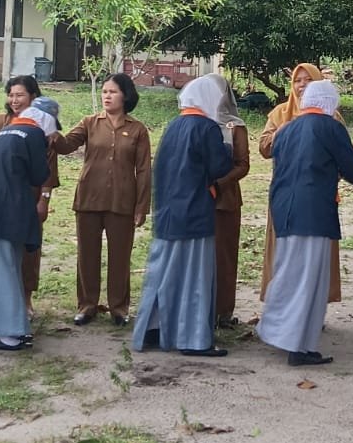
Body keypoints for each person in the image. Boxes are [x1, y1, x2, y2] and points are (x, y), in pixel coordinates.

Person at [258, 80, 353, 366]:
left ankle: (285, 335)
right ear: (329, 103)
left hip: (284, 209)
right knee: (308, 280)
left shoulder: (286, 129)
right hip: (314, 211)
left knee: (289, 273)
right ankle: (297, 346)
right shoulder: (331, 128)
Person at [132, 75, 235, 358]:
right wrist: (227, 146)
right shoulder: (207, 128)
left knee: (163, 274)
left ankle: (153, 329)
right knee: (194, 278)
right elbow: (219, 166)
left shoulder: (173, 125)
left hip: (168, 213)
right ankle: (194, 339)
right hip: (195, 212)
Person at [53, 72, 152, 326]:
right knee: (87, 254)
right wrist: (50, 130)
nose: (107, 96)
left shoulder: (138, 129)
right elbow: (66, 146)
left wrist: (142, 206)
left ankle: (119, 308)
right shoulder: (89, 122)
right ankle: (87, 305)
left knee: (120, 256)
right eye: (105, 91)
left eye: (113, 92)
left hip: (122, 201)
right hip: (89, 198)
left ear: (126, 96)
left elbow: (143, 170)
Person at [0, 98, 55, 351]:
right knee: (4, 272)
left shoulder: (7, 130)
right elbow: (40, 174)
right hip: (5, 210)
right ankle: (6, 334)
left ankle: (5, 328)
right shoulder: (34, 134)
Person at [258, 63, 342, 305]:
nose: (302, 85)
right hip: (285, 195)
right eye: (297, 80)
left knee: (314, 254)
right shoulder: (280, 113)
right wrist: (281, 132)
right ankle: (282, 303)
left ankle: (312, 306)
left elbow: (340, 156)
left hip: (318, 197)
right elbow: (264, 148)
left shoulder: (331, 115)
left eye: (307, 80)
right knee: (283, 251)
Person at [210, 77, 250, 326]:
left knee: (223, 257)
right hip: (199, 200)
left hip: (225, 201)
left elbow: (243, 165)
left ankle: (223, 311)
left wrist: (219, 184)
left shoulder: (235, 126)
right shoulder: (196, 122)